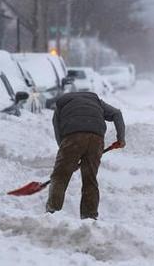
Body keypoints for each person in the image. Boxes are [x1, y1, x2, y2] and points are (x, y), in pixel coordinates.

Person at [47, 92, 125, 220]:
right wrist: (121, 138)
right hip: (96, 138)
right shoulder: (96, 101)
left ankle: (52, 214)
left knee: (60, 177)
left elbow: (59, 134)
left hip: (73, 137)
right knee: (90, 179)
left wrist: (68, 159)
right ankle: (89, 216)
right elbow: (117, 113)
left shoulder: (60, 105)